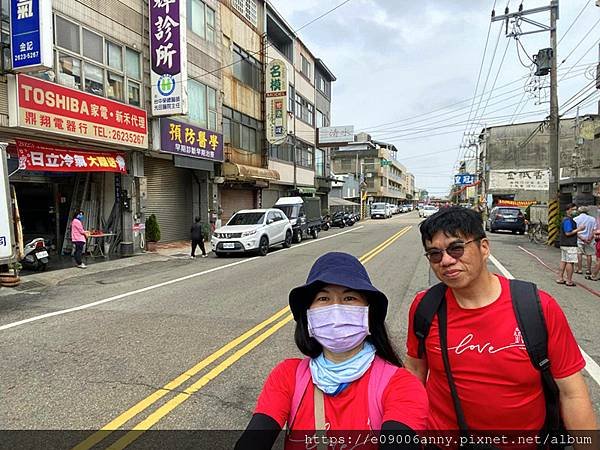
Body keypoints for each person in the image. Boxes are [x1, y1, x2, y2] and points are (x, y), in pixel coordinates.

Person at [404, 207, 596, 434]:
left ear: (484, 248)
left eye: (456, 249)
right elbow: (414, 372)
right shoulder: (425, 307)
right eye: (434, 254)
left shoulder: (537, 307)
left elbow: (572, 392)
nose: (445, 261)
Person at [236, 252, 428, 450]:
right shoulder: (287, 376)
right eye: (324, 298)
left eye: (349, 298)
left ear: (369, 313)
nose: (336, 310)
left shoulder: (401, 385)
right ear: (308, 314)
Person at [557, 203, 585, 286]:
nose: (575, 211)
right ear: (568, 210)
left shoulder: (566, 219)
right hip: (569, 244)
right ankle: (569, 280)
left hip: (564, 244)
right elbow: (568, 233)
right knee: (570, 262)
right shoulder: (568, 220)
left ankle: (560, 278)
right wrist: (579, 229)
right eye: (573, 209)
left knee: (564, 261)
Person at [574, 206, 596, 276]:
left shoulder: (575, 219)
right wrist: (589, 238)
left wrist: (582, 238)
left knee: (579, 254)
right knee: (589, 255)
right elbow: (594, 230)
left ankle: (579, 269)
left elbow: (575, 231)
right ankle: (588, 270)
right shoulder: (592, 219)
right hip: (590, 240)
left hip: (579, 239)